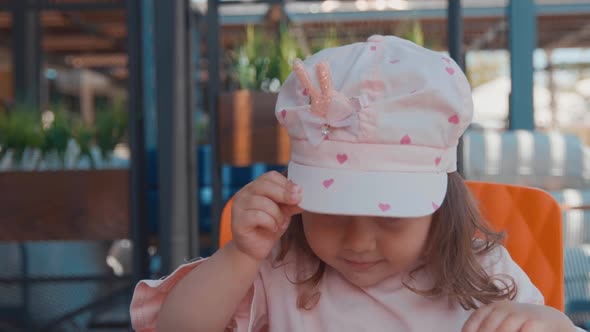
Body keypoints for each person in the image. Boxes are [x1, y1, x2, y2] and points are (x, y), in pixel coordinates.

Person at [130, 35, 583, 332]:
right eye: (332, 211)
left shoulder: (483, 270)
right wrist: (241, 254)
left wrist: (550, 324)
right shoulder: (279, 270)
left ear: (439, 208)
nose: (360, 242)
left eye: (390, 218)